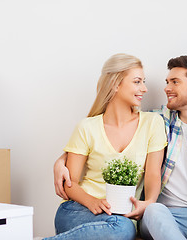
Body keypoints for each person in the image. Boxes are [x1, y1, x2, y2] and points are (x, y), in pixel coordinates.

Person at [54, 55, 187, 240]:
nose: (165, 88)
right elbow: (99, 134)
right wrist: (61, 160)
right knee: (153, 210)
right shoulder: (159, 120)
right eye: (167, 81)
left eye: (174, 82)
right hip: (166, 216)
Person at [46, 53, 167, 240]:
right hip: (77, 210)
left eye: (144, 81)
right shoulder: (87, 127)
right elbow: (71, 183)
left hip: (119, 218)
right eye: (137, 82)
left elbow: (152, 174)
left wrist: (149, 203)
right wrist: (92, 201)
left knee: (123, 229)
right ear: (115, 84)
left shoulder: (152, 123)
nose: (144, 88)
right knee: (122, 230)